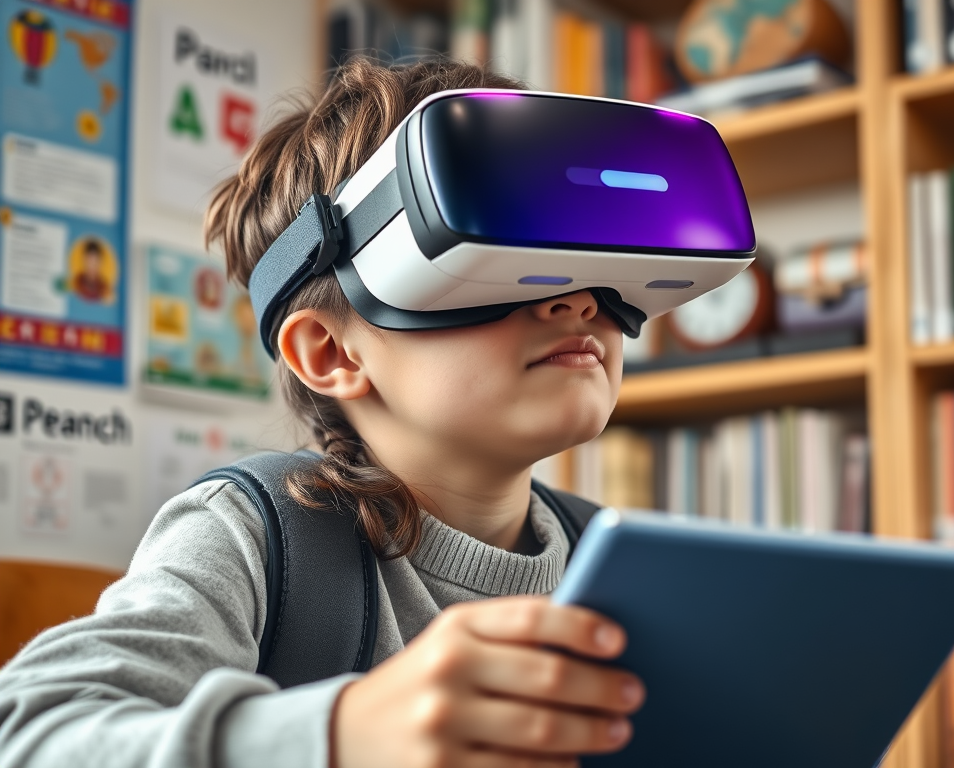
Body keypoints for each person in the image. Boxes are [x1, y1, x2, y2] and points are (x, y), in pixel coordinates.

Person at [0, 57, 645, 768]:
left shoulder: (623, 562)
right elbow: (29, 735)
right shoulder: (253, 536)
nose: (579, 298)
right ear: (331, 352)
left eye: (582, 253)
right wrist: (339, 734)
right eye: (493, 251)